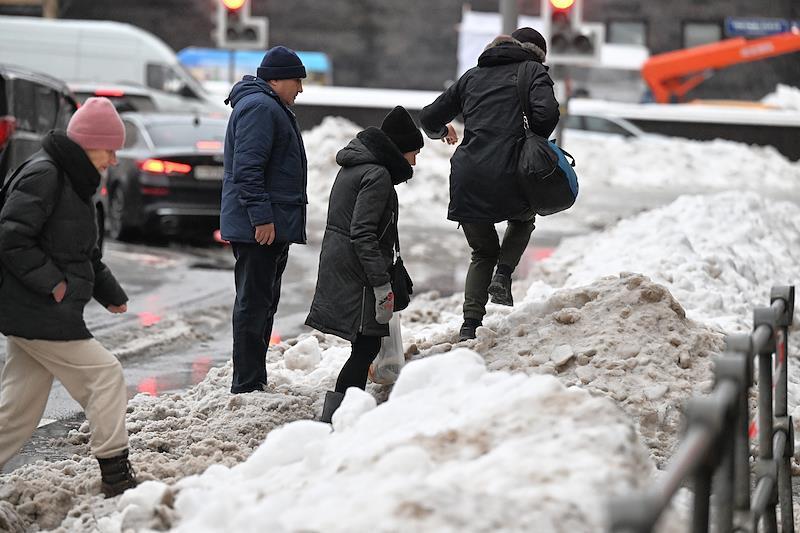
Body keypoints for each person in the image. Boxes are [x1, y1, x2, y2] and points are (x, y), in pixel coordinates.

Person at [0, 97, 136, 497]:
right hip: (37, 309)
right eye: (109, 149)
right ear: (89, 144)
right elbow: (11, 238)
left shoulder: (73, 179)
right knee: (105, 375)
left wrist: (109, 293)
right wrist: (54, 284)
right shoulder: (46, 175)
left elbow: (81, 251)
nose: (113, 159)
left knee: (17, 411)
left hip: (35, 310)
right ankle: (116, 476)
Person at [419, 28, 560, 341]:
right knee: (523, 219)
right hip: (512, 171)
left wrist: (442, 131)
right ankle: (504, 274)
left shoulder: (471, 77)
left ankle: (469, 325)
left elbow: (428, 118)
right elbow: (547, 114)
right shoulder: (533, 71)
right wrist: (531, 134)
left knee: (482, 251)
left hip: (468, 174)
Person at [306, 106, 424, 423]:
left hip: (345, 264)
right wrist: (381, 284)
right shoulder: (377, 175)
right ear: (399, 149)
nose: (414, 162)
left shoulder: (358, 166)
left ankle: (343, 415)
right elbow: (363, 233)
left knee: (365, 344)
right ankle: (336, 419)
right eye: (414, 153)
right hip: (357, 272)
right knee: (366, 345)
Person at [220, 46, 309, 394]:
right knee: (253, 305)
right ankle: (247, 383)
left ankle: (254, 379)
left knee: (262, 304)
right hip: (258, 228)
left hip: (268, 225)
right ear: (276, 79)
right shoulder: (260, 107)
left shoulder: (269, 106)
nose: (300, 89)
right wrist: (261, 218)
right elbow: (248, 169)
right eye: (296, 81)